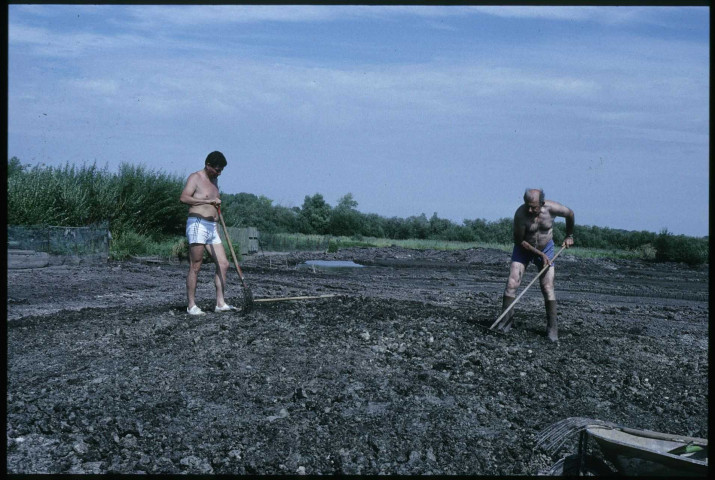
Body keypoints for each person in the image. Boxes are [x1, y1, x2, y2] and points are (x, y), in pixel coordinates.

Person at [497, 188, 574, 341]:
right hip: (524, 249)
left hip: (546, 248)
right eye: (528, 206)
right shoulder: (520, 214)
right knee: (512, 283)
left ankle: (552, 329)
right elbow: (519, 240)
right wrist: (540, 255)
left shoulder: (553, 208)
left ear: (542, 203)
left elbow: (570, 214)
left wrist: (569, 235)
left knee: (547, 287)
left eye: (534, 206)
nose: (530, 210)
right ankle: (505, 323)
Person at [179, 151, 237, 315]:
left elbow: (215, 205)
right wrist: (207, 201)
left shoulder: (215, 180)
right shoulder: (195, 177)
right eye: (217, 170)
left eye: (221, 171)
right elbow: (183, 198)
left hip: (212, 227)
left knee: (224, 264)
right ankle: (191, 306)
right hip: (198, 223)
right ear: (208, 165)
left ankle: (220, 303)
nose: (219, 173)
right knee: (196, 265)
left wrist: (217, 219)